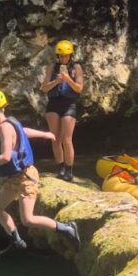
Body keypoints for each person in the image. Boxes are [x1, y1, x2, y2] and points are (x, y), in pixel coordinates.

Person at [0, 88, 80, 256]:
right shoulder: (6, 125)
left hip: (26, 177)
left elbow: (6, 156)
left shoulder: (3, 129)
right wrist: (45, 134)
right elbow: (23, 131)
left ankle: (67, 229)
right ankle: (16, 240)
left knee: (28, 219)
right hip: (15, 177)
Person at [39, 39, 84, 182]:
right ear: (58, 56)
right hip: (53, 104)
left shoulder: (76, 68)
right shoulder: (52, 67)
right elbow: (44, 89)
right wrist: (56, 81)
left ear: (70, 55)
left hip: (69, 104)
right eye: (61, 56)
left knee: (67, 139)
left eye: (66, 56)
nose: (64, 58)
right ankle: (60, 168)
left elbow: (79, 88)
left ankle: (69, 170)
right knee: (55, 138)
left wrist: (67, 79)